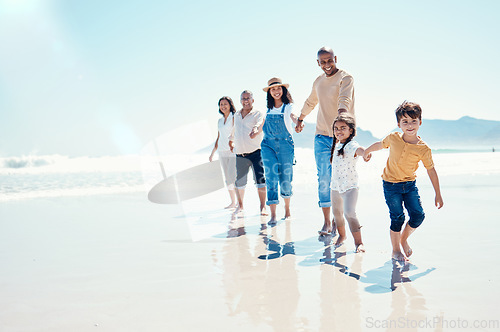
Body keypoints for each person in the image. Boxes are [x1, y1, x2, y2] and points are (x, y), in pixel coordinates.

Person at [363, 101, 444, 261]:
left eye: (414, 121)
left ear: (420, 122)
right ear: (398, 124)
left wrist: (438, 193)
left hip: (409, 186)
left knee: (418, 215)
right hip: (390, 185)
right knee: (397, 217)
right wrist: (366, 151)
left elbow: (431, 170)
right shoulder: (393, 138)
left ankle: (403, 239)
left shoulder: (423, 148)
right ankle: (395, 250)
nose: (410, 125)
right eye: (405, 121)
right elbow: (380, 144)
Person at [295, 46, 355, 235]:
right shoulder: (318, 81)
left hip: (342, 136)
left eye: (330, 60)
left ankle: (340, 221)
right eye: (323, 62)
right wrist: (301, 118)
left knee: (342, 178)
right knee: (324, 178)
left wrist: (340, 120)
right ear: (318, 63)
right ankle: (327, 222)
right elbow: (311, 101)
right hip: (321, 135)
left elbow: (344, 100)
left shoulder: (346, 78)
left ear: (335, 58)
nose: (327, 65)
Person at [261, 77, 300, 224]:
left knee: (286, 180)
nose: (276, 91)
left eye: (278, 88)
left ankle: (287, 210)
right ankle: (272, 215)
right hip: (268, 146)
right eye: (273, 89)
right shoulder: (268, 110)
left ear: (283, 90)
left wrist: (298, 123)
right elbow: (261, 125)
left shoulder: (289, 106)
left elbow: (293, 116)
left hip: (285, 146)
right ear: (269, 92)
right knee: (270, 177)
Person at [328, 114, 366, 252]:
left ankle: (359, 242)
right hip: (335, 187)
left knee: (349, 212)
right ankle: (342, 236)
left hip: (350, 187)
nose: (339, 131)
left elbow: (359, 150)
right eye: (336, 128)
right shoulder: (337, 144)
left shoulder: (351, 145)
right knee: (337, 213)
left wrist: (366, 153)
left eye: (343, 128)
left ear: (351, 130)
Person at [229, 90, 267, 215]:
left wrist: (255, 130)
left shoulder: (257, 113)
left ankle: (263, 207)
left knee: (260, 181)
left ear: (252, 100)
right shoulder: (236, 115)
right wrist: (231, 140)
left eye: (248, 98)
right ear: (240, 100)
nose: (246, 100)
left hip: (255, 153)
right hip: (240, 154)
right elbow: (234, 130)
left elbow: (260, 124)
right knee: (240, 182)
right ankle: (240, 206)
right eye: (243, 98)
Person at [209, 96, 238, 209]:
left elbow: (238, 133)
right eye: (221, 104)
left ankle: (239, 202)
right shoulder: (220, 121)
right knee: (227, 178)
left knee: (232, 176)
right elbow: (219, 137)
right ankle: (233, 202)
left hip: (232, 151)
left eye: (225, 104)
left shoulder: (234, 117)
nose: (223, 106)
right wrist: (212, 153)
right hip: (221, 151)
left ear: (230, 105)